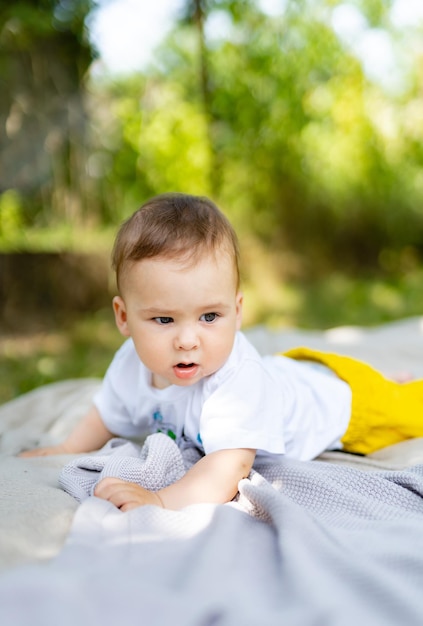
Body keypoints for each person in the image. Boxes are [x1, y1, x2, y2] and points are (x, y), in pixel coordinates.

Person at [20, 193, 423, 511]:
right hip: (290, 375)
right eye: (164, 320)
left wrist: (162, 499)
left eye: (210, 316)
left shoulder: (237, 383)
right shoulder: (129, 364)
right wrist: (67, 448)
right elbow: (107, 412)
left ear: (238, 311)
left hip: (345, 408)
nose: (188, 340)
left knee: (408, 407)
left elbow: (229, 468)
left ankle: (392, 387)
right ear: (123, 317)